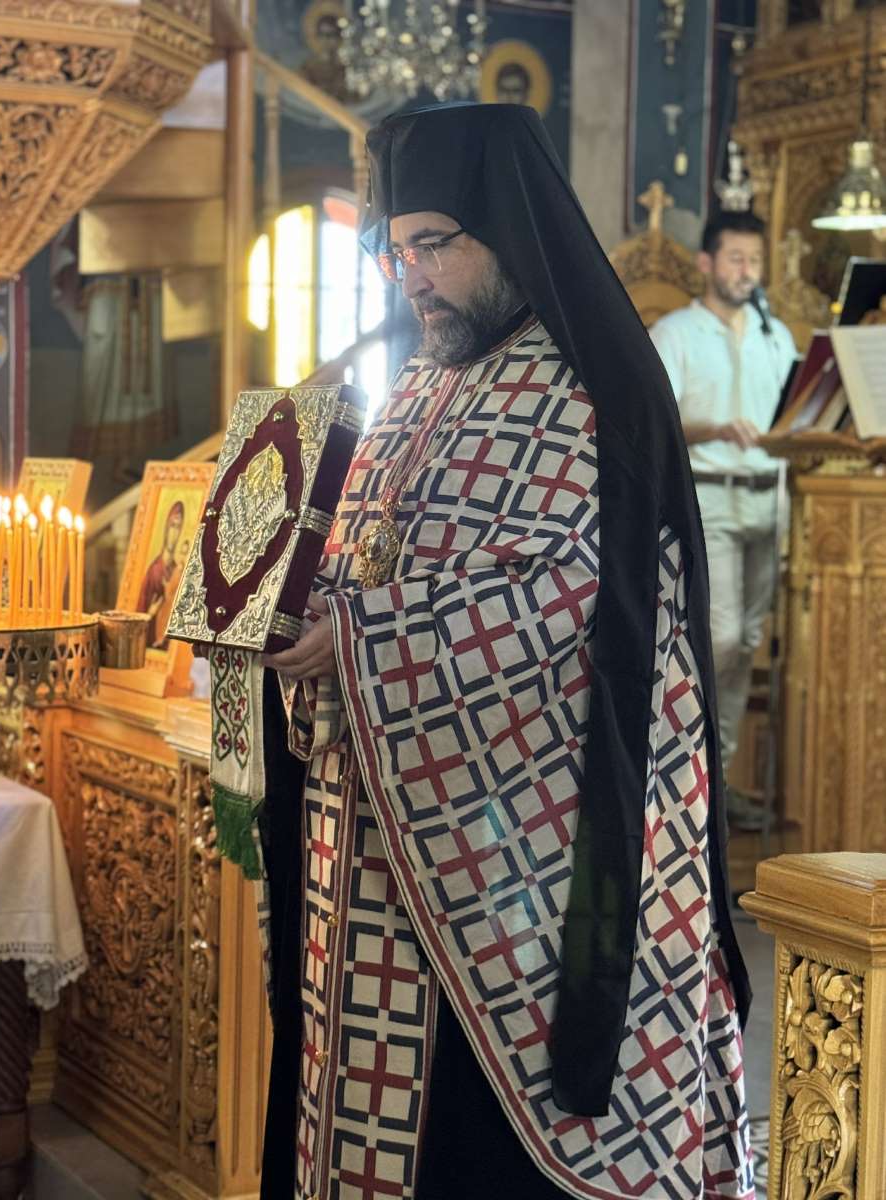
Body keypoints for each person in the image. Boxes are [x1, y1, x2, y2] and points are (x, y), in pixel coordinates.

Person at [256, 103, 753, 1200]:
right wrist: (281, 606)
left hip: (525, 866)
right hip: (378, 841)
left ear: (509, 229)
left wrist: (364, 638)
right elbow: (364, 555)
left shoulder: (592, 395)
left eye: (435, 245)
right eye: (396, 252)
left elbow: (577, 600)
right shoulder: (419, 385)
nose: (413, 278)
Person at [650, 212, 796, 829]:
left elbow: (794, 413)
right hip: (710, 497)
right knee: (724, 637)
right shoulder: (676, 332)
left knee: (749, 643)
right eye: (736, 259)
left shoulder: (775, 335)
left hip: (772, 499)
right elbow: (652, 420)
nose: (747, 272)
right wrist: (713, 428)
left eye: (755, 261)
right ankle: (687, 771)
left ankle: (721, 778)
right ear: (706, 263)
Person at [136, 499, 184, 648]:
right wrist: (149, 614)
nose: (174, 533)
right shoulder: (153, 570)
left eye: (178, 527)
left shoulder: (177, 569)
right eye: (172, 526)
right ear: (166, 528)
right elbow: (139, 613)